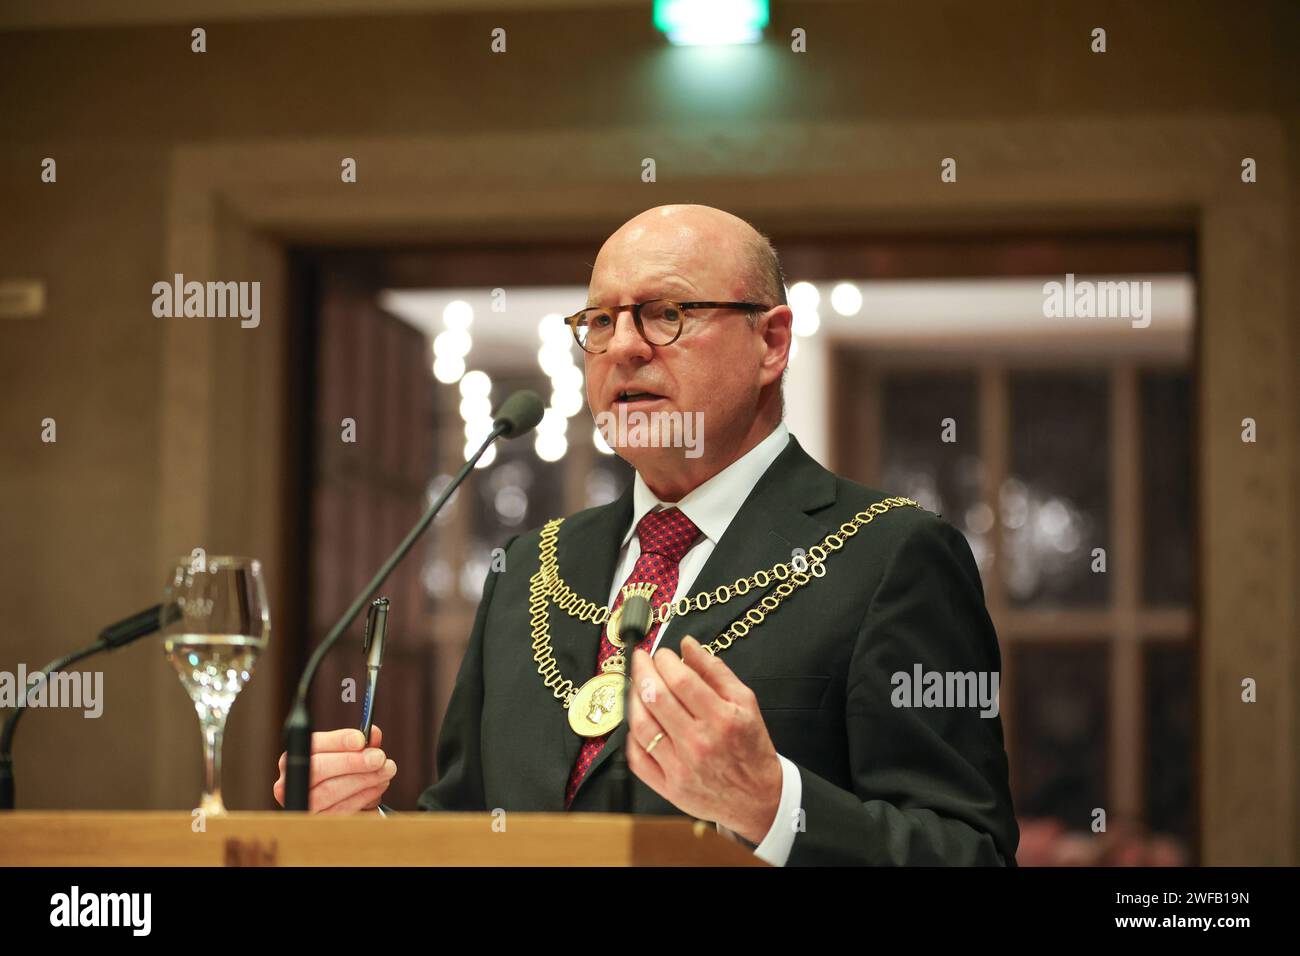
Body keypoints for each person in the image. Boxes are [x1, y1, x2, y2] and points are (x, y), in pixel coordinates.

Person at [274, 203, 1018, 866]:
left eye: (665, 314)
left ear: (772, 342)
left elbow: (969, 852)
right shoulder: (532, 565)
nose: (624, 347)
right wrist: (363, 830)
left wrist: (772, 804)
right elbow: (468, 828)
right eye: (601, 321)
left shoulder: (892, 554)